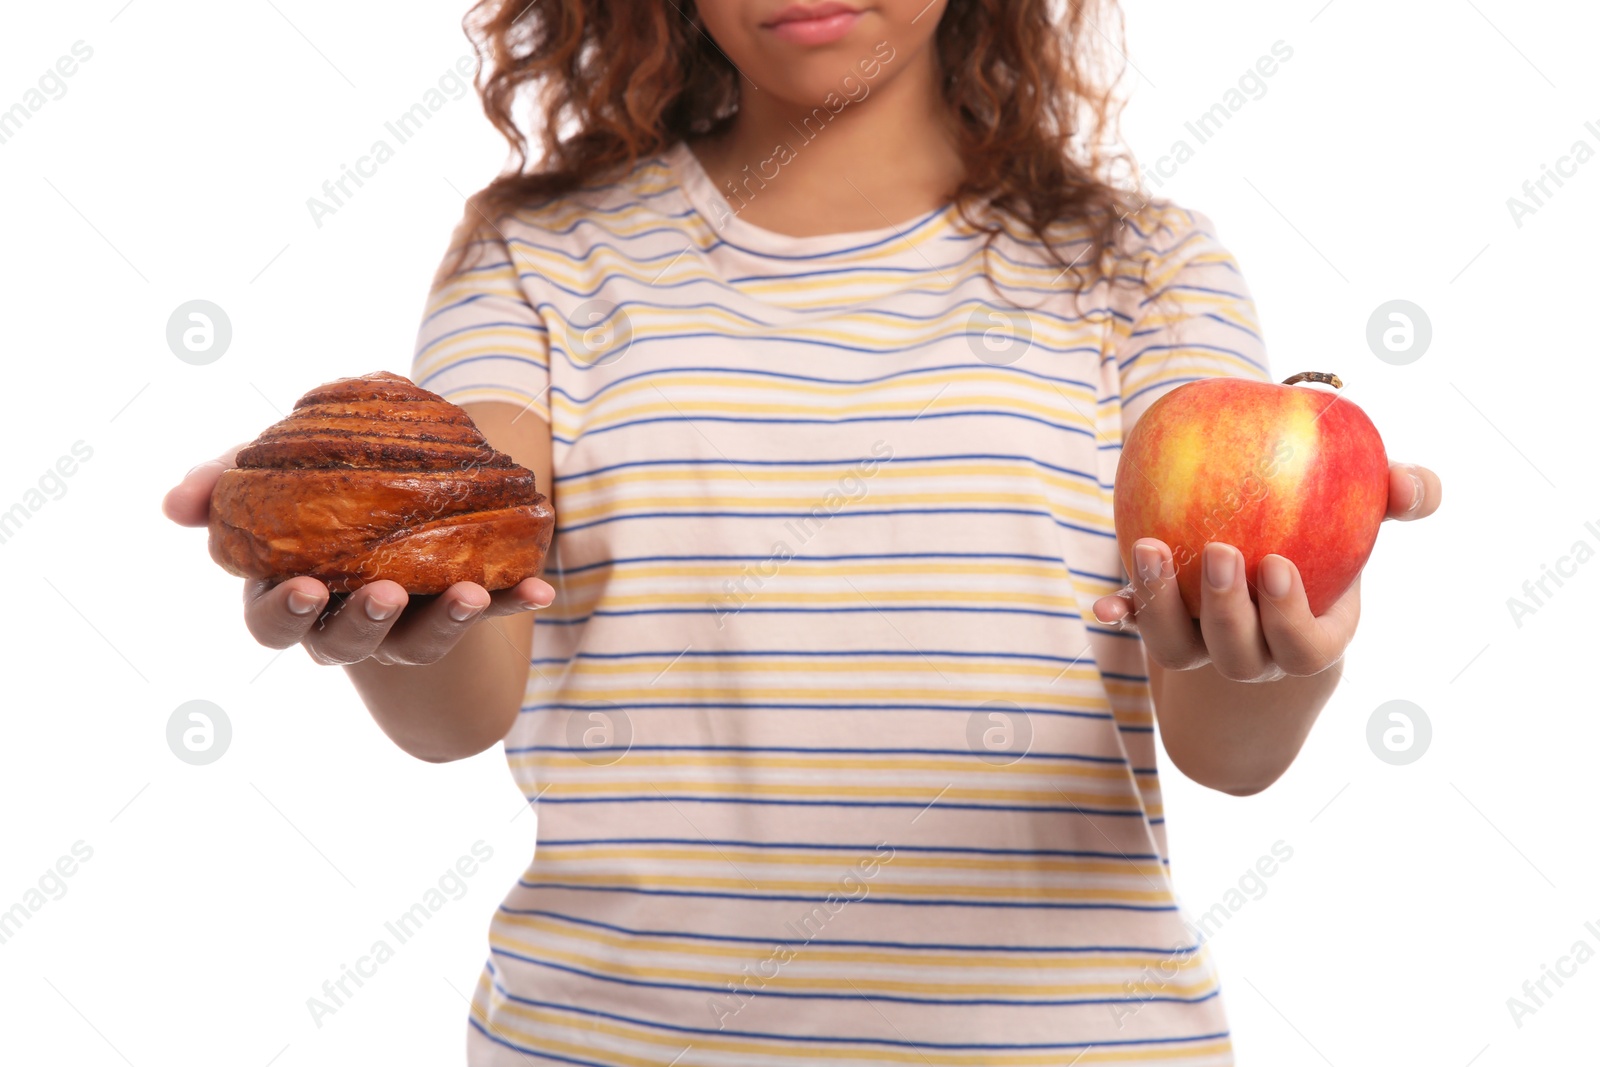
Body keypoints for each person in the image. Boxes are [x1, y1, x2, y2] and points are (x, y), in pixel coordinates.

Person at [164, 0, 1442, 1062]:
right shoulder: (538, 257)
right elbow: (465, 678)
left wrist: (1280, 650)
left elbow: (1226, 743)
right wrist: (386, 606)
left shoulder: (1145, 266)